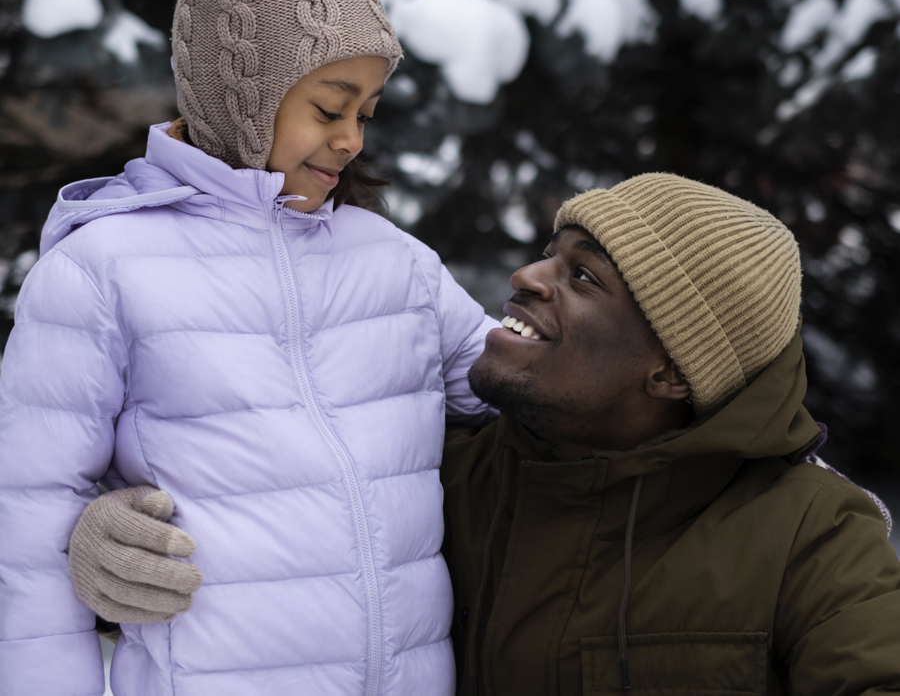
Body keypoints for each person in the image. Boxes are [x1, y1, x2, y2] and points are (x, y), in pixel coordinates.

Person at [0, 0, 495, 696]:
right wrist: (85, 537)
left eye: (365, 115)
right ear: (240, 91)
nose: (350, 139)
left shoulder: (394, 267)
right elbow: (23, 531)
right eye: (328, 106)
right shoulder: (104, 272)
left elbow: (526, 393)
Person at [69, 174, 900, 695]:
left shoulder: (812, 533)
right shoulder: (439, 480)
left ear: (672, 370)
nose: (527, 277)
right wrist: (112, 546)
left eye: (582, 278)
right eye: (550, 253)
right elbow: (266, 558)